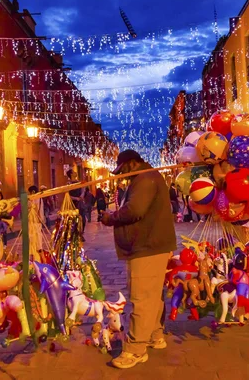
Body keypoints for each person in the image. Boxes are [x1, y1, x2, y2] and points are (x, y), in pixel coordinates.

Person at [100, 150, 177, 369]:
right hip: (151, 246)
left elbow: (134, 210)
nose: (123, 175)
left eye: (124, 170)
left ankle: (135, 350)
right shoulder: (148, 177)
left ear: (133, 164)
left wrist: (110, 218)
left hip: (147, 247)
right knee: (152, 296)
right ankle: (154, 335)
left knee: (141, 298)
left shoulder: (144, 178)